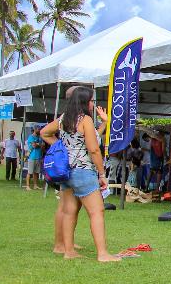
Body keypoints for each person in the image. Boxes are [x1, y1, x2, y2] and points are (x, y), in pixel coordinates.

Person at [40, 86, 119, 262]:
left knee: (69, 211)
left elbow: (44, 132)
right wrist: (101, 173)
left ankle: (68, 251)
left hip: (67, 171)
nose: (92, 104)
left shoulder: (63, 119)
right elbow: (93, 149)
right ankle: (103, 253)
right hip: (84, 171)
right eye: (91, 100)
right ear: (84, 101)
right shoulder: (85, 120)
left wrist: (62, 149)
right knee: (97, 211)